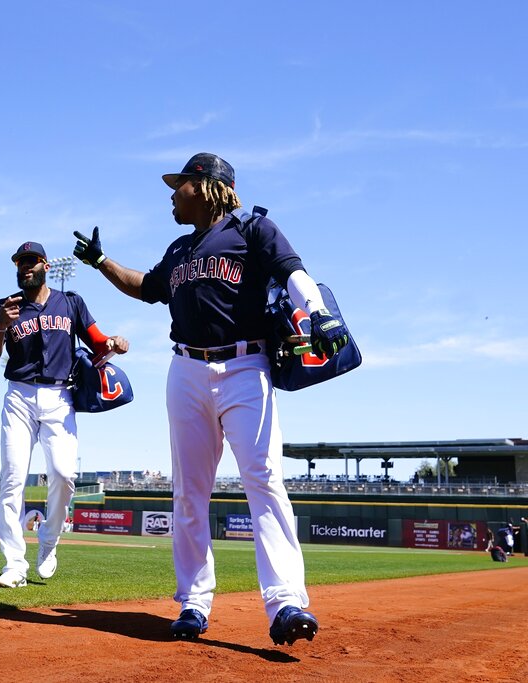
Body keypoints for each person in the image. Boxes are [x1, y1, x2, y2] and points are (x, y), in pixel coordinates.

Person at [74, 152, 350, 646]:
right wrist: (101, 263)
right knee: (189, 489)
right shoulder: (179, 249)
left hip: (247, 366)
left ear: (204, 185)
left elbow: (292, 270)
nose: (171, 194)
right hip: (185, 369)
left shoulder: (251, 229)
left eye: (178, 185)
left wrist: (319, 311)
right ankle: (194, 603)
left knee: (263, 480)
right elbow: (147, 288)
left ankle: (286, 602)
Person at [0, 241, 129, 588]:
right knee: (13, 478)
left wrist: (115, 343)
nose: (25, 268)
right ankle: (14, 564)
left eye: (31, 262)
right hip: (19, 394)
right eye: (20, 263)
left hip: (60, 396)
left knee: (63, 475)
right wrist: (1, 325)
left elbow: (98, 341)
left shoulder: (70, 302)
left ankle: (49, 539)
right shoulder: (4, 308)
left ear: (46, 265)